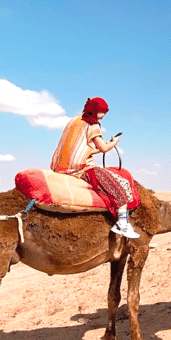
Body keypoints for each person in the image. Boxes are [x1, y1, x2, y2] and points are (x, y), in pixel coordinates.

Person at [51, 97, 139, 238]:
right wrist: (114, 143)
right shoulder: (92, 124)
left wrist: (105, 144)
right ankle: (122, 223)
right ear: (96, 110)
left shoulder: (74, 120)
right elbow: (104, 148)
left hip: (59, 167)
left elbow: (86, 148)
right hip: (79, 168)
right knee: (118, 184)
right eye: (102, 112)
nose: (103, 116)